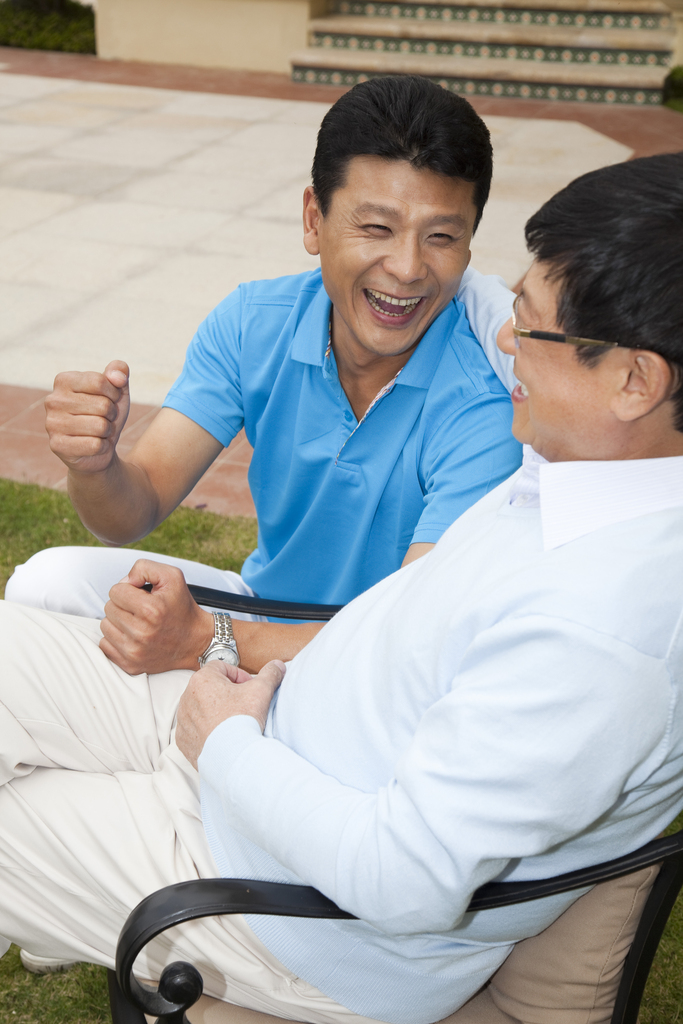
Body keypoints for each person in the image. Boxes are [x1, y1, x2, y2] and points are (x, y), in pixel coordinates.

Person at [1, 151, 683, 1022]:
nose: (505, 338)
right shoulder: (578, 469)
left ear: (635, 380)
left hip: (288, 906)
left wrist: (227, 745)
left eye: (530, 323)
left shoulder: (606, 631)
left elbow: (403, 884)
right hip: (262, 737)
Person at [5, 76, 520, 677]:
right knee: (48, 584)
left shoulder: (488, 401)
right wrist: (95, 466)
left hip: (375, 661)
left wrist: (204, 640)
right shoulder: (255, 323)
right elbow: (131, 509)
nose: (407, 269)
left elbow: (408, 641)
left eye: (441, 237)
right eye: (376, 228)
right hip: (263, 610)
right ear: (313, 219)